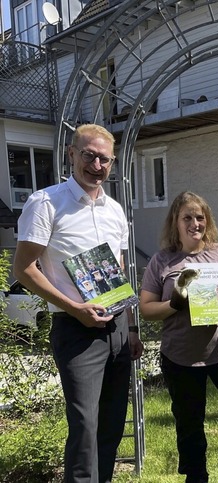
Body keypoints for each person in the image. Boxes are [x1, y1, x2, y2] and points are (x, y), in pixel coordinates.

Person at [13, 123, 143, 483]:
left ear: (112, 163)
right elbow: (23, 269)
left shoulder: (115, 210)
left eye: (105, 159)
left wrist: (130, 328)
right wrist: (75, 309)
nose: (97, 165)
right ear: (72, 154)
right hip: (76, 328)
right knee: (85, 425)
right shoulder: (46, 202)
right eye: (89, 155)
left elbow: (116, 274)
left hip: (116, 327)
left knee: (112, 421)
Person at [139, 191, 218, 483]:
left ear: (207, 221)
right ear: (175, 222)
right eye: (187, 217)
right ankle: (196, 478)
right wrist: (174, 304)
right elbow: (146, 309)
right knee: (189, 426)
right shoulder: (162, 261)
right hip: (181, 356)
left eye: (199, 217)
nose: (194, 223)